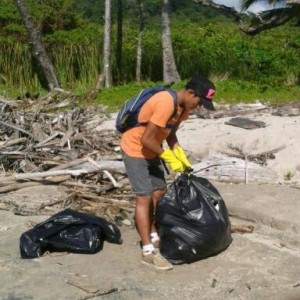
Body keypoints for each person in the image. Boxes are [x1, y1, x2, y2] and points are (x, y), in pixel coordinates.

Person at [120, 75, 216, 270]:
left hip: (152, 149)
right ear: (189, 93)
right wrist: (167, 157)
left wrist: (180, 155)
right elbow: (146, 139)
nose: (199, 107)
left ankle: (154, 232)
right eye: (199, 101)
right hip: (134, 148)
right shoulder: (165, 102)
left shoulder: (183, 109)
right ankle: (147, 251)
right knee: (144, 196)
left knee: (159, 192)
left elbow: (170, 135)